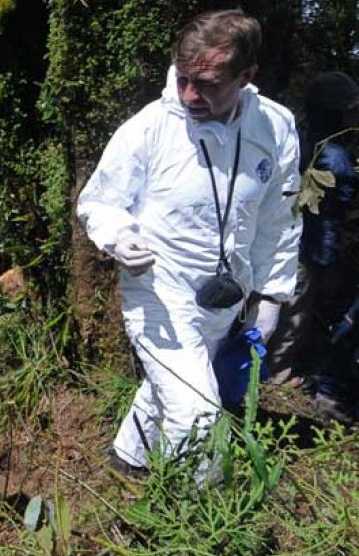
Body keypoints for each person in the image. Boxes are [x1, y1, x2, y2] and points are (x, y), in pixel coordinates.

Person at [76, 10, 302, 475]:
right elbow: (98, 202)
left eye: (208, 83)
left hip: (226, 290)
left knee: (178, 383)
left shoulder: (275, 127)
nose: (189, 95)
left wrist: (272, 293)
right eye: (182, 79)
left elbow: (277, 219)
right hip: (159, 288)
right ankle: (199, 524)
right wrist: (119, 238)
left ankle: (129, 461)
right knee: (198, 415)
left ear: (246, 76)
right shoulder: (149, 128)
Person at [267, 71, 359, 421]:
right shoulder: (334, 158)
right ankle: (278, 374)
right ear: (335, 112)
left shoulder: (301, 140)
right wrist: (328, 257)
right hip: (311, 248)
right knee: (295, 312)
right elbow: (335, 215)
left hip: (289, 241)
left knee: (286, 305)